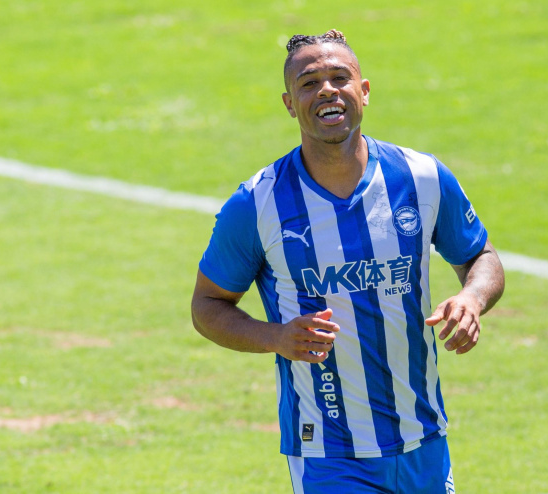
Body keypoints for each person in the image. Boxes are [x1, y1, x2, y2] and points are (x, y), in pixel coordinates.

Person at [191, 29, 505, 494]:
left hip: (424, 439)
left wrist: (472, 298)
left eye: (341, 77)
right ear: (288, 103)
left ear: (364, 91)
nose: (327, 91)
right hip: (328, 455)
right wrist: (276, 336)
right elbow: (207, 305)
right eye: (309, 82)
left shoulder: (422, 178)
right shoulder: (258, 204)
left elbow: (481, 257)